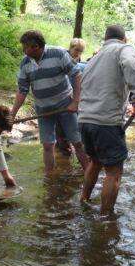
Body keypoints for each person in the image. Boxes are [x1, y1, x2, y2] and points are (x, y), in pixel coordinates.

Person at [78, 25, 135, 216]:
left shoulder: (95, 57)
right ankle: (106, 217)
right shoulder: (124, 49)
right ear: (124, 39)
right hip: (106, 121)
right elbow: (130, 65)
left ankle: (83, 199)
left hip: (85, 120)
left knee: (95, 162)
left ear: (105, 39)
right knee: (113, 172)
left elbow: (82, 82)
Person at [11, 30, 88, 173]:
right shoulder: (25, 63)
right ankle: (50, 178)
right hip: (43, 110)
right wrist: (12, 115)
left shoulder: (58, 53)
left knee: (77, 142)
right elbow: (22, 90)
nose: (23, 50)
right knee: (47, 145)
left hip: (66, 106)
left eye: (25, 47)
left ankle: (89, 175)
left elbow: (77, 75)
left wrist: (75, 102)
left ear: (35, 46)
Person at [56, 38, 88, 156]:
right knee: (60, 129)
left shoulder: (81, 64)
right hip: (62, 98)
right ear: (71, 47)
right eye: (77, 50)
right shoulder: (63, 59)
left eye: (81, 51)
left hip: (76, 100)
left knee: (76, 128)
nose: (78, 53)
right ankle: (63, 150)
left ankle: (68, 152)